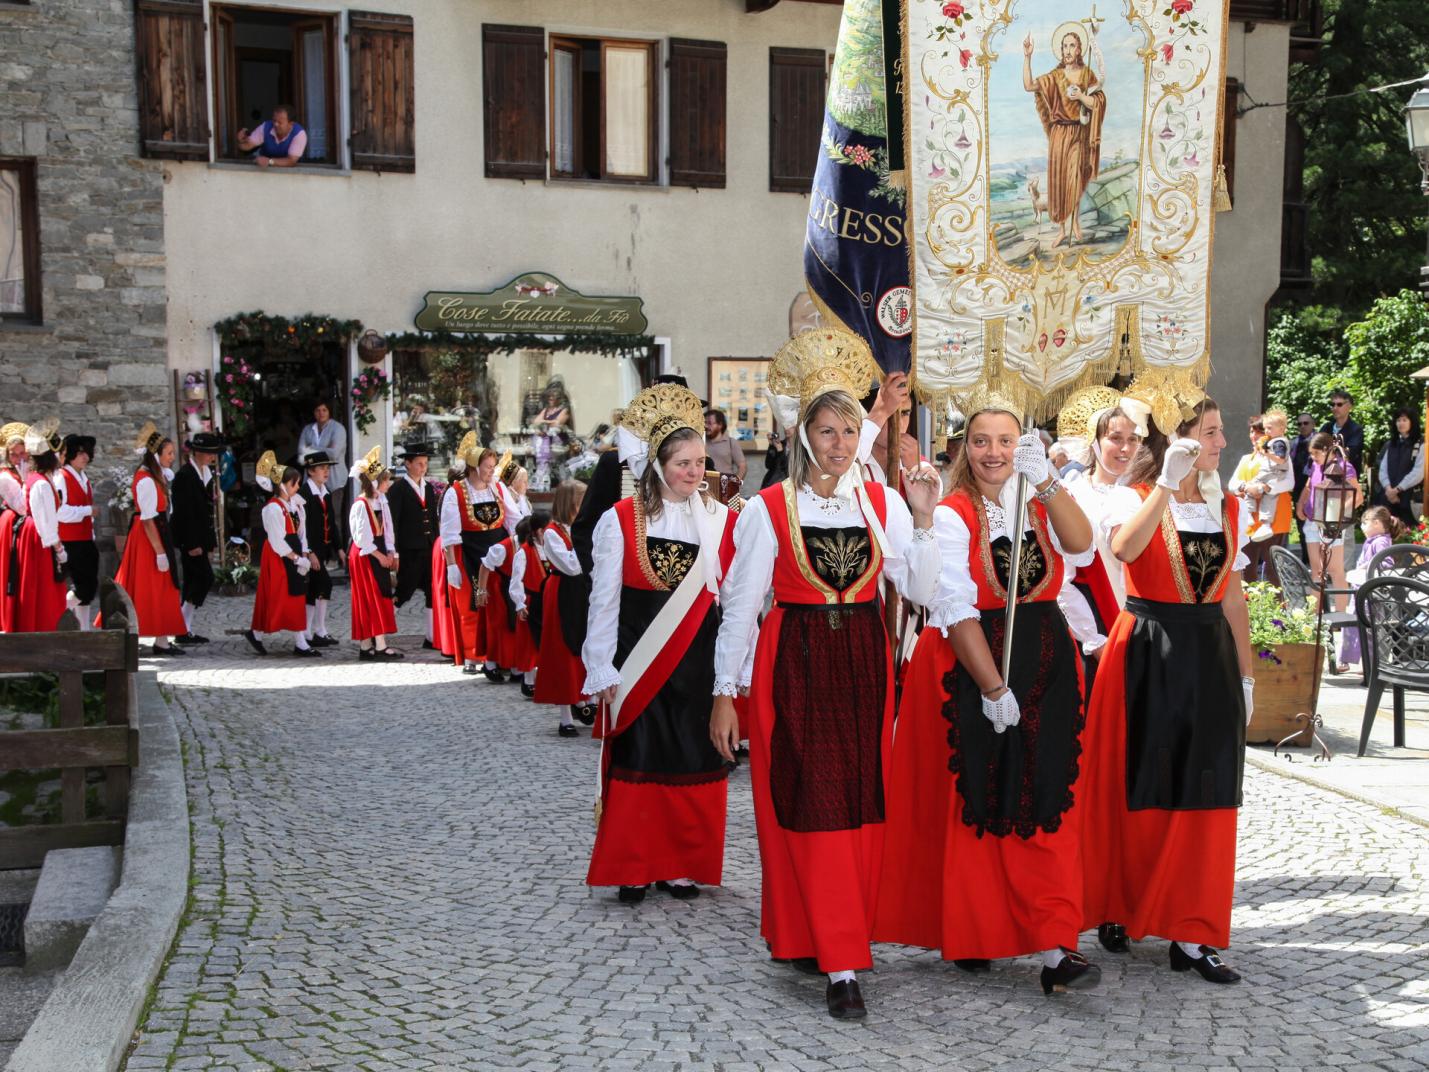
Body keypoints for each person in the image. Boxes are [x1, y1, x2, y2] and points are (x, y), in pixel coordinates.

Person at [710, 331, 941, 1020]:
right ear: (803, 435)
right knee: (810, 804)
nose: (840, 442)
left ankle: (835, 936)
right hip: (796, 663)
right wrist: (727, 695)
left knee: (858, 804)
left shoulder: (882, 504)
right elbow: (741, 606)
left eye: (848, 430)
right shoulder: (767, 510)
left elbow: (921, 588)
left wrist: (924, 520)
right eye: (827, 430)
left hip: (863, 666)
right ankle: (840, 959)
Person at [875, 403, 1098, 996]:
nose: (994, 453)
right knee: (982, 800)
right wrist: (993, 688)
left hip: (1047, 663)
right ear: (963, 447)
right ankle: (975, 931)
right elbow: (952, 610)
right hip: (975, 664)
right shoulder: (952, 516)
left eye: (1005, 441)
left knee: (1045, 796)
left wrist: (1048, 482)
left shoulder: (1040, 503)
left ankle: (1056, 944)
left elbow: (1083, 546)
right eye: (981, 441)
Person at [1080, 397, 1254, 984]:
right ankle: (1121, 906)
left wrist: (1247, 675)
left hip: (1208, 655)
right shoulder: (1133, 498)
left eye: (1220, 430)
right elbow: (1124, 550)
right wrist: (1164, 486)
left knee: (1205, 793)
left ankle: (1192, 930)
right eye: (1210, 431)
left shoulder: (1228, 507)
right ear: (1176, 440)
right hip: (1146, 651)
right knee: (1139, 790)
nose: (1222, 442)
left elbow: (1232, 596)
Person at [582, 383, 737, 907]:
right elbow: (602, 601)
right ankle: (634, 865)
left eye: (700, 462)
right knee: (641, 756)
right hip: (639, 658)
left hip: (698, 658)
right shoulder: (619, 520)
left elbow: (734, 600)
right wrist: (600, 665)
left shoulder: (720, 522)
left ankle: (681, 865)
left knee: (691, 758)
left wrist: (731, 675)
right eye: (683, 463)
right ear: (658, 465)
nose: (695, 472)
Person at [1055, 393, 1147, 684]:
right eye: (1115, 438)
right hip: (1096, 621)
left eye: (1133, 440)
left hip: (1146, 623)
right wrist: (1093, 639)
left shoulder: (1148, 494)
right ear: (1094, 442)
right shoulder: (1073, 495)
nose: (1125, 448)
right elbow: (1062, 578)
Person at [435, 435, 516, 677]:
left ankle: (499, 655)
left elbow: (514, 519)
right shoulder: (455, 493)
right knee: (472, 606)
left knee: (500, 605)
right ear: (474, 468)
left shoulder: (499, 488)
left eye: (493, 467)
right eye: (488, 467)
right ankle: (474, 654)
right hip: (469, 552)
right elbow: (449, 532)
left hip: (498, 552)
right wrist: (451, 565)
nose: (492, 471)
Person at [1022, 23, 1106, 248]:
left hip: (1079, 132)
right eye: (1064, 46)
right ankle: (1061, 230)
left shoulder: (1087, 73)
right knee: (1059, 182)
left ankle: (1075, 223)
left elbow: (1098, 101)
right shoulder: (1055, 76)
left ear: (1079, 49)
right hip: (1059, 134)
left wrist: (1080, 96)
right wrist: (1027, 57)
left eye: (1072, 46)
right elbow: (1029, 85)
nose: (1067, 50)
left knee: (1075, 179)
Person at [110, 423, 187, 655]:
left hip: (158, 532)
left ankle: (162, 640)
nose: (173, 457)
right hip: (148, 537)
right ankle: (141, 634)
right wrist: (159, 552)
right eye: (169, 453)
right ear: (156, 455)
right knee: (153, 586)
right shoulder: (145, 480)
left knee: (163, 587)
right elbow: (147, 519)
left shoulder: (155, 476)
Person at [533, 480, 592, 737]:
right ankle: (565, 715)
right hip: (562, 592)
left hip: (582, 592)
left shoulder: (580, 529)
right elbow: (572, 565)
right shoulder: (551, 533)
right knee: (562, 651)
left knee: (585, 647)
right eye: (580, 503)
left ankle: (586, 701)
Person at [244, 452, 316, 657]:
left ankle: (296, 640)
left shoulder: (297, 505)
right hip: (279, 555)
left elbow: (302, 532)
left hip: (293, 551)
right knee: (278, 596)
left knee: (294, 595)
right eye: (294, 484)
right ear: (282, 485)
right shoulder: (272, 509)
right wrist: (296, 557)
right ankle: (259, 633)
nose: (297, 488)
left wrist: (305, 552)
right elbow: (277, 541)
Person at [1297, 432, 1363, 613]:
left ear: (1328, 450)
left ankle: (1340, 615)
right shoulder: (1316, 466)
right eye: (1311, 454)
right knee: (1316, 570)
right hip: (1312, 521)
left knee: (1335, 570)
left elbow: (1357, 496)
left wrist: (1338, 514)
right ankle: (1314, 615)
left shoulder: (1344, 467)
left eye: (1316, 453)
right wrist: (1300, 504)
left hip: (1332, 524)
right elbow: (1309, 486)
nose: (1313, 457)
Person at [348, 446, 403, 661]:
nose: (388, 484)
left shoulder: (381, 501)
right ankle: (377, 645)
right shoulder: (361, 505)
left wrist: (392, 552)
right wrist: (380, 556)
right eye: (385, 480)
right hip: (365, 555)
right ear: (374, 482)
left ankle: (368, 645)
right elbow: (361, 538)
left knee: (381, 594)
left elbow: (388, 529)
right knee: (370, 596)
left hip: (378, 551)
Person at [169, 432, 224, 645]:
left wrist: (209, 543)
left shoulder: (204, 473)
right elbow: (184, 513)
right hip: (190, 539)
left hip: (201, 538)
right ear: (199, 453)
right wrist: (191, 544)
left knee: (195, 581)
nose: (213, 457)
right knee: (203, 578)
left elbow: (206, 512)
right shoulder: (185, 476)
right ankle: (181, 626)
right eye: (210, 454)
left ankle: (184, 629)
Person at [14, 422, 68, 633]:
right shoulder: (42, 484)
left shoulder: (38, 479)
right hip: (39, 539)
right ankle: (42, 631)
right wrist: (59, 549)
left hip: (33, 535)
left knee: (39, 588)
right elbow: (45, 522)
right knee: (43, 588)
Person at [1227, 415, 1291, 587]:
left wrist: (1263, 488)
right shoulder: (1246, 459)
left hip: (1273, 518)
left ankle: (1279, 611)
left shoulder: (1280, 457)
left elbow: (1289, 483)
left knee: (1273, 569)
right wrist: (1245, 487)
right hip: (1249, 519)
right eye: (1251, 432)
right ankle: (1250, 610)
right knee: (1246, 568)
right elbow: (1232, 483)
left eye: (1259, 432)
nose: (1254, 436)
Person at [388, 442, 441, 648]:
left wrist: (436, 542)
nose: (423, 467)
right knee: (404, 590)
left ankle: (431, 636)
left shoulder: (427, 487)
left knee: (431, 590)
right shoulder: (398, 489)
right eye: (419, 463)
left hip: (427, 546)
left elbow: (432, 519)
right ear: (408, 464)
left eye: (425, 463)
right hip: (409, 548)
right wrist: (395, 551)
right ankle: (381, 631)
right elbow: (393, 521)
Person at [1338, 505, 1404, 672]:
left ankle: (1369, 663)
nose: (1362, 527)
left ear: (1376, 523)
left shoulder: (1381, 541)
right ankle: (1349, 660)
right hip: (1361, 590)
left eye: (1364, 523)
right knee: (1353, 627)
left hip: (1370, 594)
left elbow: (1385, 563)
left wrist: (1366, 566)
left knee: (1368, 630)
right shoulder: (1373, 541)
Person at [55, 433, 99, 630]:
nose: (85, 457)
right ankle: (57, 611)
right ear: (71, 454)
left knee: (88, 588)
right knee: (84, 587)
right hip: (70, 540)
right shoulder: (61, 477)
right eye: (80, 453)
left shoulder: (83, 477)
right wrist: (87, 511)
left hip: (85, 538)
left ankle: (84, 629)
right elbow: (60, 512)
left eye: (87, 453)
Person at [296, 450, 338, 648]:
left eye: (327, 468)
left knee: (314, 589)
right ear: (311, 471)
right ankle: (316, 630)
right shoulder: (304, 494)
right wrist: (310, 551)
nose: (326, 471)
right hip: (311, 550)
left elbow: (333, 523)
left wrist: (338, 548)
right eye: (322, 468)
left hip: (323, 549)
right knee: (324, 585)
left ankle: (312, 631)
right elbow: (305, 528)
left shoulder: (325, 493)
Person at [507, 513, 549, 695]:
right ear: (539, 531)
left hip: (548, 600)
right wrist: (519, 603)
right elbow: (516, 580)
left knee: (547, 641)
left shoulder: (551, 548)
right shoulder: (524, 552)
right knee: (530, 642)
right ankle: (529, 679)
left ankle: (544, 677)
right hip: (531, 601)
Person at [299, 401, 348, 542]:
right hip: (312, 481)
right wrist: (325, 447)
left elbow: (334, 454)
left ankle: (336, 553)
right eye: (318, 410)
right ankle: (315, 550)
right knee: (312, 517)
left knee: (333, 518)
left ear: (329, 411)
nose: (321, 413)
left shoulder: (338, 429)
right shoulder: (308, 430)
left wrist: (312, 447)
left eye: (324, 410)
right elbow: (302, 455)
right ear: (314, 413)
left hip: (334, 481)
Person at [0, 421, 30, 633]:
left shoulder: (25, 472)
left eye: (23, 454)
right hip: (11, 526)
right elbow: (22, 506)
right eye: (14, 454)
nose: (19, 459)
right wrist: (28, 480)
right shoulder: (5, 477)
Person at [1376, 407, 1423, 529]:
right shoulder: (1392, 444)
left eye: (1404, 420)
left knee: (1409, 535)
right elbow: (1383, 469)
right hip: (1388, 497)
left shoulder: (1421, 444)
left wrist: (1397, 490)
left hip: (1409, 497)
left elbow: (1418, 472)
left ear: (1412, 422)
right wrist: (1388, 489)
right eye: (1398, 420)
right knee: (1387, 531)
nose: (1400, 423)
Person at [236, 104, 307, 168]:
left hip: (291, 175)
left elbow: (291, 161)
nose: (275, 124)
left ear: (291, 124)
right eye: (274, 120)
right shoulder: (265, 127)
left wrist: (270, 161)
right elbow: (247, 146)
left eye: (280, 122)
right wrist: (241, 141)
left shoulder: (299, 134)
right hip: (264, 171)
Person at [530, 385, 572, 492]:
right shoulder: (546, 410)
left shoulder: (565, 410)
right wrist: (549, 423)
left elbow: (558, 423)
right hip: (545, 441)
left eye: (553, 396)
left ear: (559, 398)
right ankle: (541, 483)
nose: (551, 398)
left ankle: (551, 483)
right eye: (549, 396)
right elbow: (535, 422)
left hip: (558, 443)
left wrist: (545, 422)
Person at [1320, 389, 1364, 476]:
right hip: (1324, 476)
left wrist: (1327, 452)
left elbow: (1349, 455)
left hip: (1346, 479)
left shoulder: (1356, 430)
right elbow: (1316, 450)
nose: (1335, 408)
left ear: (1350, 406)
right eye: (1332, 404)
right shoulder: (1326, 428)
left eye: (1339, 404)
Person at [1292, 412, 1316, 561]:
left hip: (1313, 488)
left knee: (1313, 526)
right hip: (1297, 488)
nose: (1302, 426)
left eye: (1306, 423)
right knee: (1301, 525)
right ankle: (1306, 559)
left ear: (1313, 424)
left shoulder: (1318, 442)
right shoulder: (1294, 443)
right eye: (1299, 424)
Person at [704, 409, 748, 486]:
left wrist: (734, 485)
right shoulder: (700, 442)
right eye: (705, 423)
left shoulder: (731, 442)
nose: (706, 426)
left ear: (720, 425)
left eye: (710, 423)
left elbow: (742, 467)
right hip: (704, 487)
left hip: (724, 488)